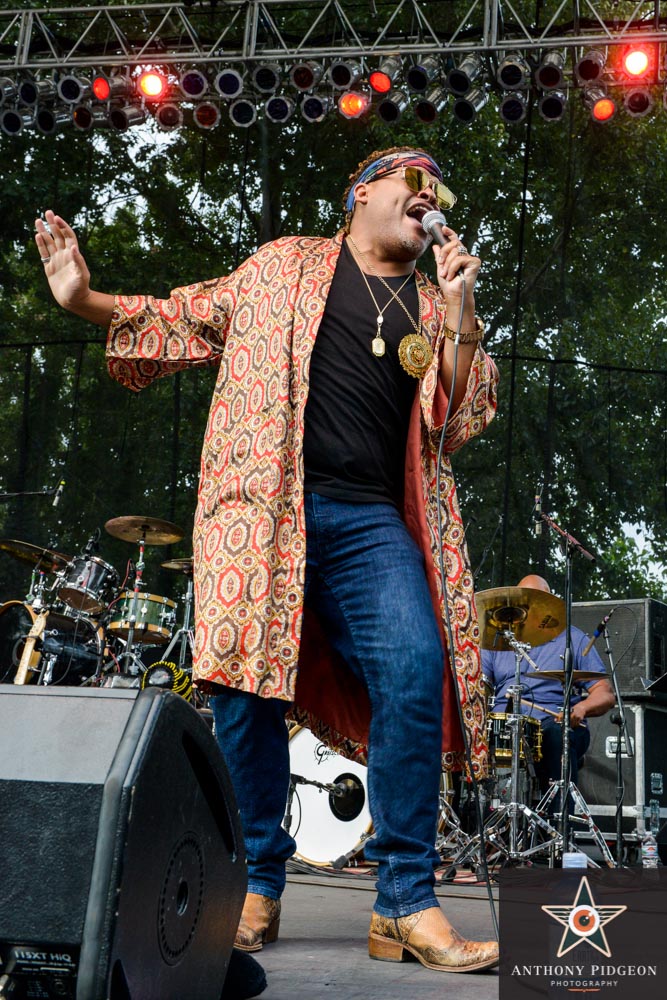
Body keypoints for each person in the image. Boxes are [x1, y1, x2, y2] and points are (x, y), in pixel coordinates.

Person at [34, 146, 499, 973]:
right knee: (239, 688)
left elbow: (457, 416)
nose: (427, 201)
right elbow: (186, 314)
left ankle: (404, 901)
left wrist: (461, 314)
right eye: (411, 183)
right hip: (262, 507)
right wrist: (84, 299)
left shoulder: (435, 303)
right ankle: (254, 878)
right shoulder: (283, 264)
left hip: (370, 522)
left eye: (438, 193)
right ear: (359, 194)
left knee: (413, 664)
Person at [482, 574, 615, 797]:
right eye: (525, 600)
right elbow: (478, 688)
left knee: (556, 735)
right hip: (503, 725)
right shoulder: (496, 640)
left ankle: (557, 824)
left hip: (553, 723)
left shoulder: (572, 639)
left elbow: (605, 693)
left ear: (550, 602)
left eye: (537, 599)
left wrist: (580, 709)